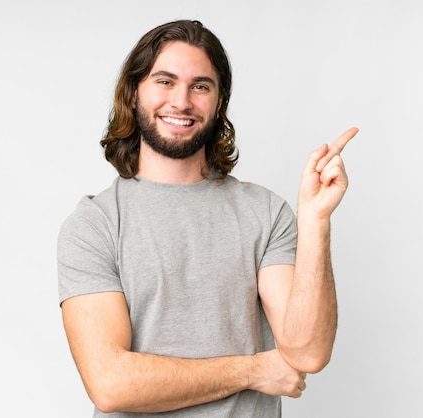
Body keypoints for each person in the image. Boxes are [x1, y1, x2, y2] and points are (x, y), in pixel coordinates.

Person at [57, 19, 358, 417]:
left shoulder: (265, 213)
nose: (182, 101)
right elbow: (110, 384)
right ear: (133, 93)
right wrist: (253, 370)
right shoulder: (94, 225)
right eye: (165, 81)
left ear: (219, 103)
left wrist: (316, 220)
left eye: (200, 86)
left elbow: (307, 352)